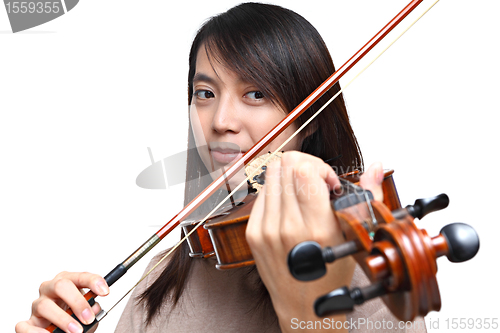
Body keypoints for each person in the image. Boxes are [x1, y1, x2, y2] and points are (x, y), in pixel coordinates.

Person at [15, 3, 426, 333]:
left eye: (256, 92)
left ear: (311, 119)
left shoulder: (373, 274)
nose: (220, 120)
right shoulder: (166, 274)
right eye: (205, 93)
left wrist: (312, 316)